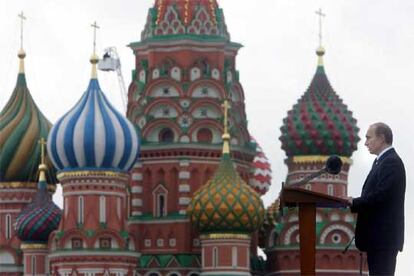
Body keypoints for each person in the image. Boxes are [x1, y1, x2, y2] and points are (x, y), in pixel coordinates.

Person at [348, 122, 406, 275]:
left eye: (369, 138)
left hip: (383, 240)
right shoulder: (380, 161)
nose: (366, 143)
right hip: (377, 239)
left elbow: (381, 196)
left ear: (381, 138)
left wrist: (354, 202)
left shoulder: (391, 162)